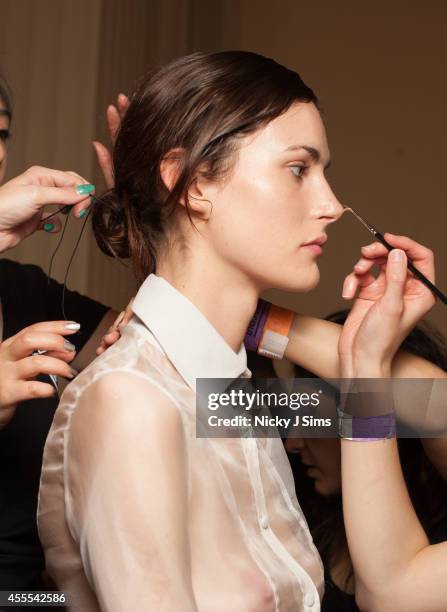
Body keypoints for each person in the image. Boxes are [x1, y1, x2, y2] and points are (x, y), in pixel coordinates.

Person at [37, 50, 440, 611]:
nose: (330, 205)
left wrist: (265, 322)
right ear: (194, 182)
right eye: (299, 169)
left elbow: (432, 406)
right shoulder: (136, 401)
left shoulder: (236, 400)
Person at [0, 81, 124, 591]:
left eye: (1, 131)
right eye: (298, 169)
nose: (328, 204)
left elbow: (385, 408)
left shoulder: (27, 294)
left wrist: (162, 227)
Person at [285, 311, 447, 611]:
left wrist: (264, 323)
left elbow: (438, 404)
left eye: (313, 421)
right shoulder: (298, 514)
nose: (292, 442)